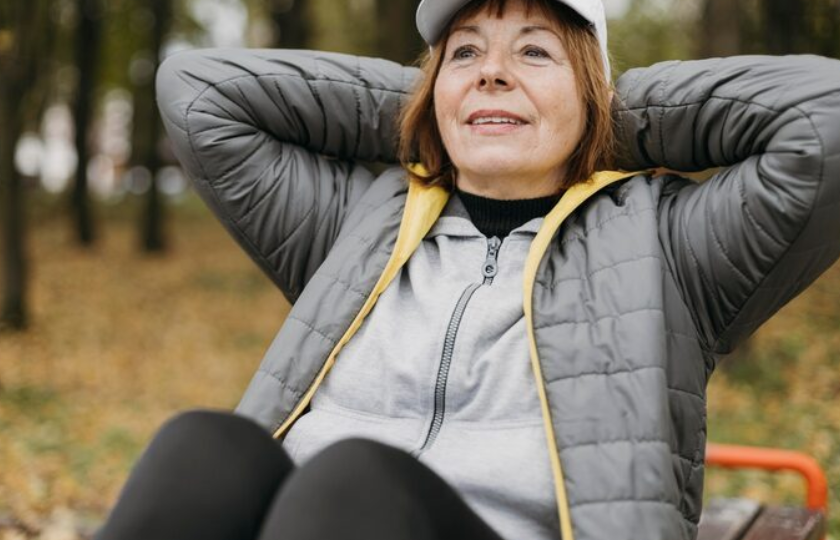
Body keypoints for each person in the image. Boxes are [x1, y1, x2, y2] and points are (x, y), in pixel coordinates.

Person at [95, 0, 840, 539]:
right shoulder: (358, 223)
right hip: (310, 518)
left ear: (593, 90)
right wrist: (431, 108)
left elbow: (824, 119)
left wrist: (611, 118)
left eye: (535, 53)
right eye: (464, 53)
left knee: (355, 482)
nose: (492, 73)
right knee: (207, 446)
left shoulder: (665, 244)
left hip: (410, 514)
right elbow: (197, 91)